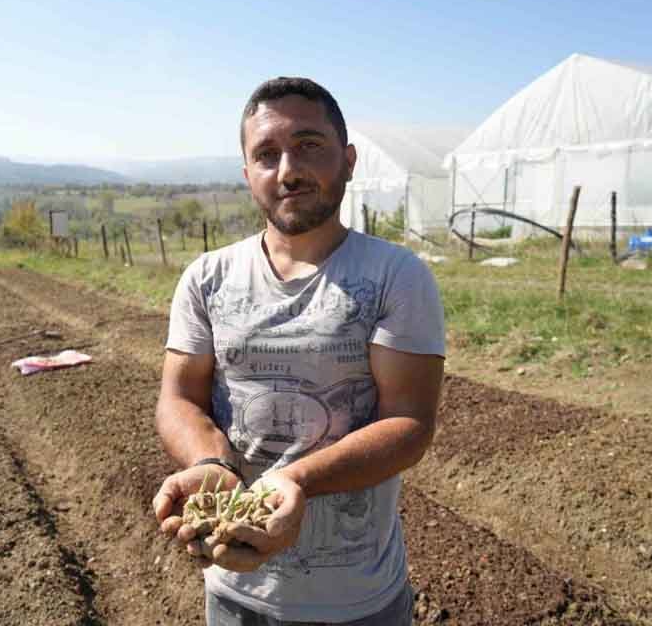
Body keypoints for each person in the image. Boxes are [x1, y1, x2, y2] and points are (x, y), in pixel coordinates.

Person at [152, 76, 446, 625]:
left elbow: (409, 422)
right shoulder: (207, 278)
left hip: (359, 603)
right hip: (234, 590)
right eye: (266, 154)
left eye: (309, 145)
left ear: (349, 160)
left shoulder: (395, 276)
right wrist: (210, 463)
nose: (288, 170)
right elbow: (178, 398)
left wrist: (297, 480)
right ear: (247, 175)